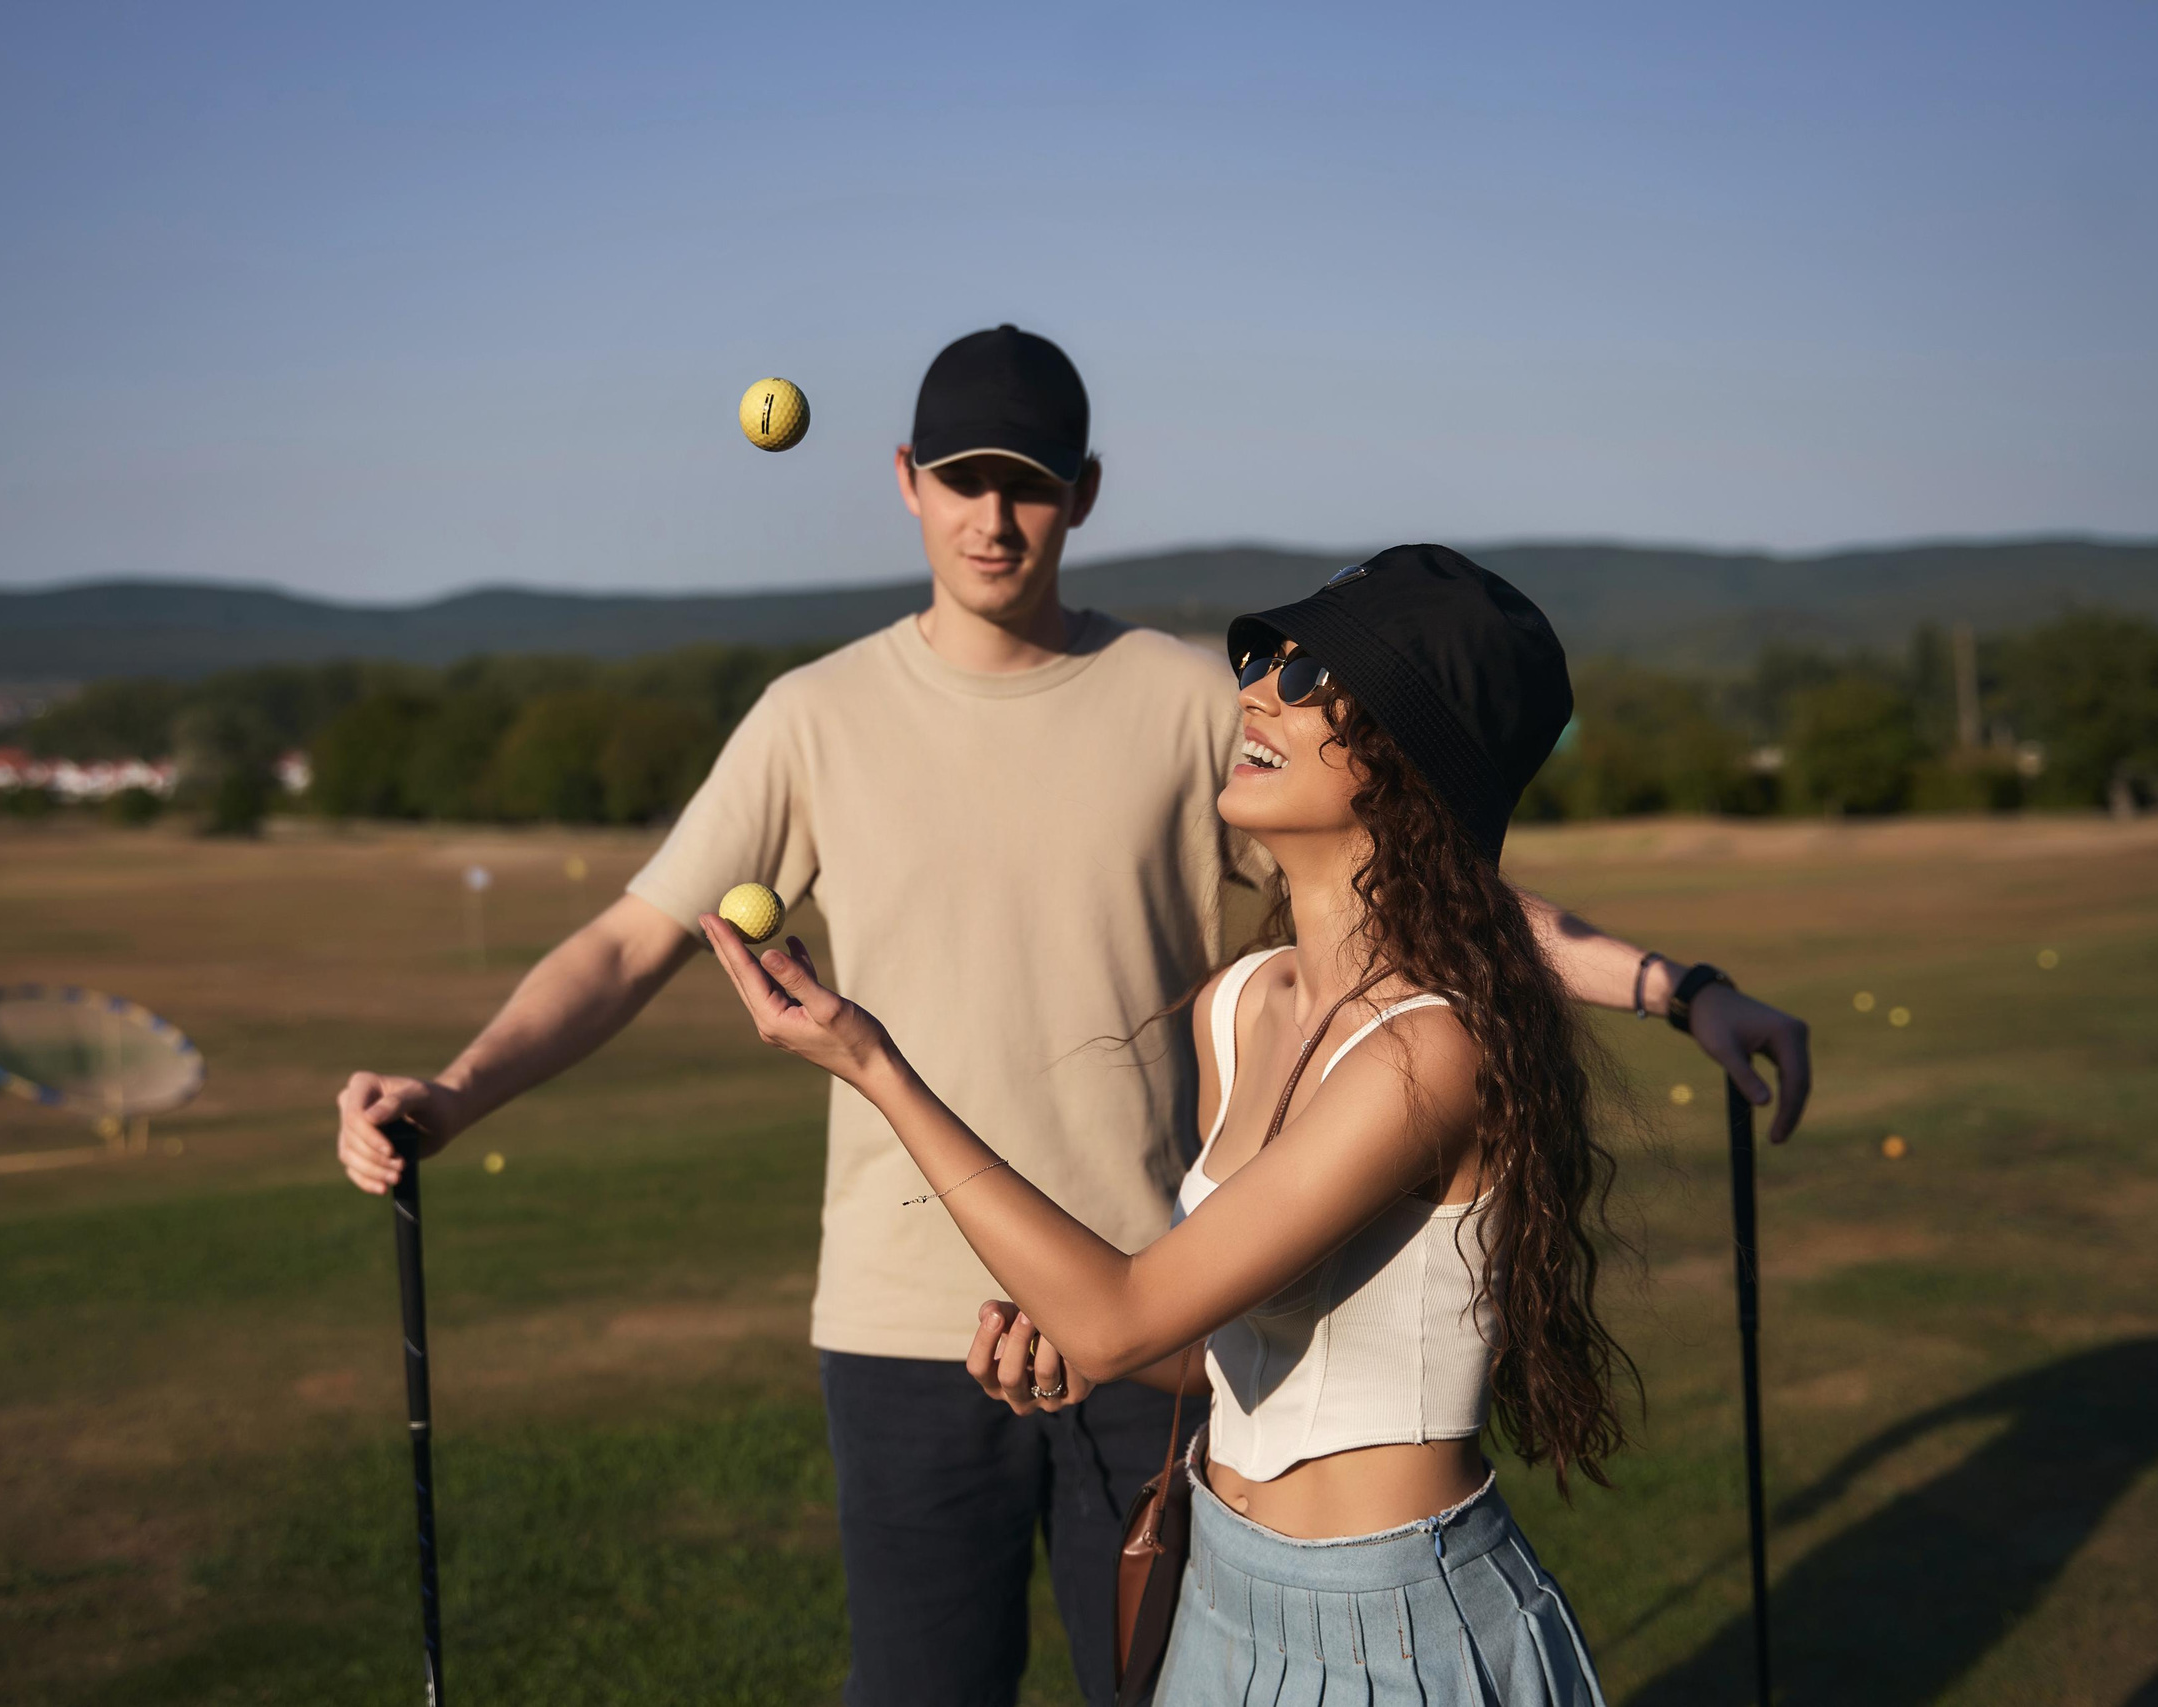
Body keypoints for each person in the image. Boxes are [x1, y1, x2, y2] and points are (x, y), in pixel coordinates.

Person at [335, 327, 1811, 1707]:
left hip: (1167, 1300)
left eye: (1028, 486)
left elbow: (1446, 897)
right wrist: (453, 1092)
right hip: (923, 1324)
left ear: (1082, 494)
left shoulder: (1193, 707)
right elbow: (626, 943)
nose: (993, 517)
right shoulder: (814, 717)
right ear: (907, 482)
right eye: (962, 479)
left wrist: (1675, 987)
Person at [704, 546, 1640, 1702]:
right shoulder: (1240, 1007)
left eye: (1308, 678)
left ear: (1416, 763)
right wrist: (1068, 1338)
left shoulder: (1426, 1052)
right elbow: (1205, 1347)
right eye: (1261, 660)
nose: (1253, 693)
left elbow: (1121, 1317)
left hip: (1396, 1626)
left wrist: (871, 1064)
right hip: (1219, 1599)